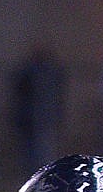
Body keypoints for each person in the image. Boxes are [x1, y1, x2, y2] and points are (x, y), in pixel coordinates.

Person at [10, 44, 64, 173]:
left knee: (44, 150)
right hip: (30, 121)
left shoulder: (50, 75)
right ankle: (34, 174)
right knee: (31, 151)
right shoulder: (28, 75)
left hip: (43, 120)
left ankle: (43, 174)